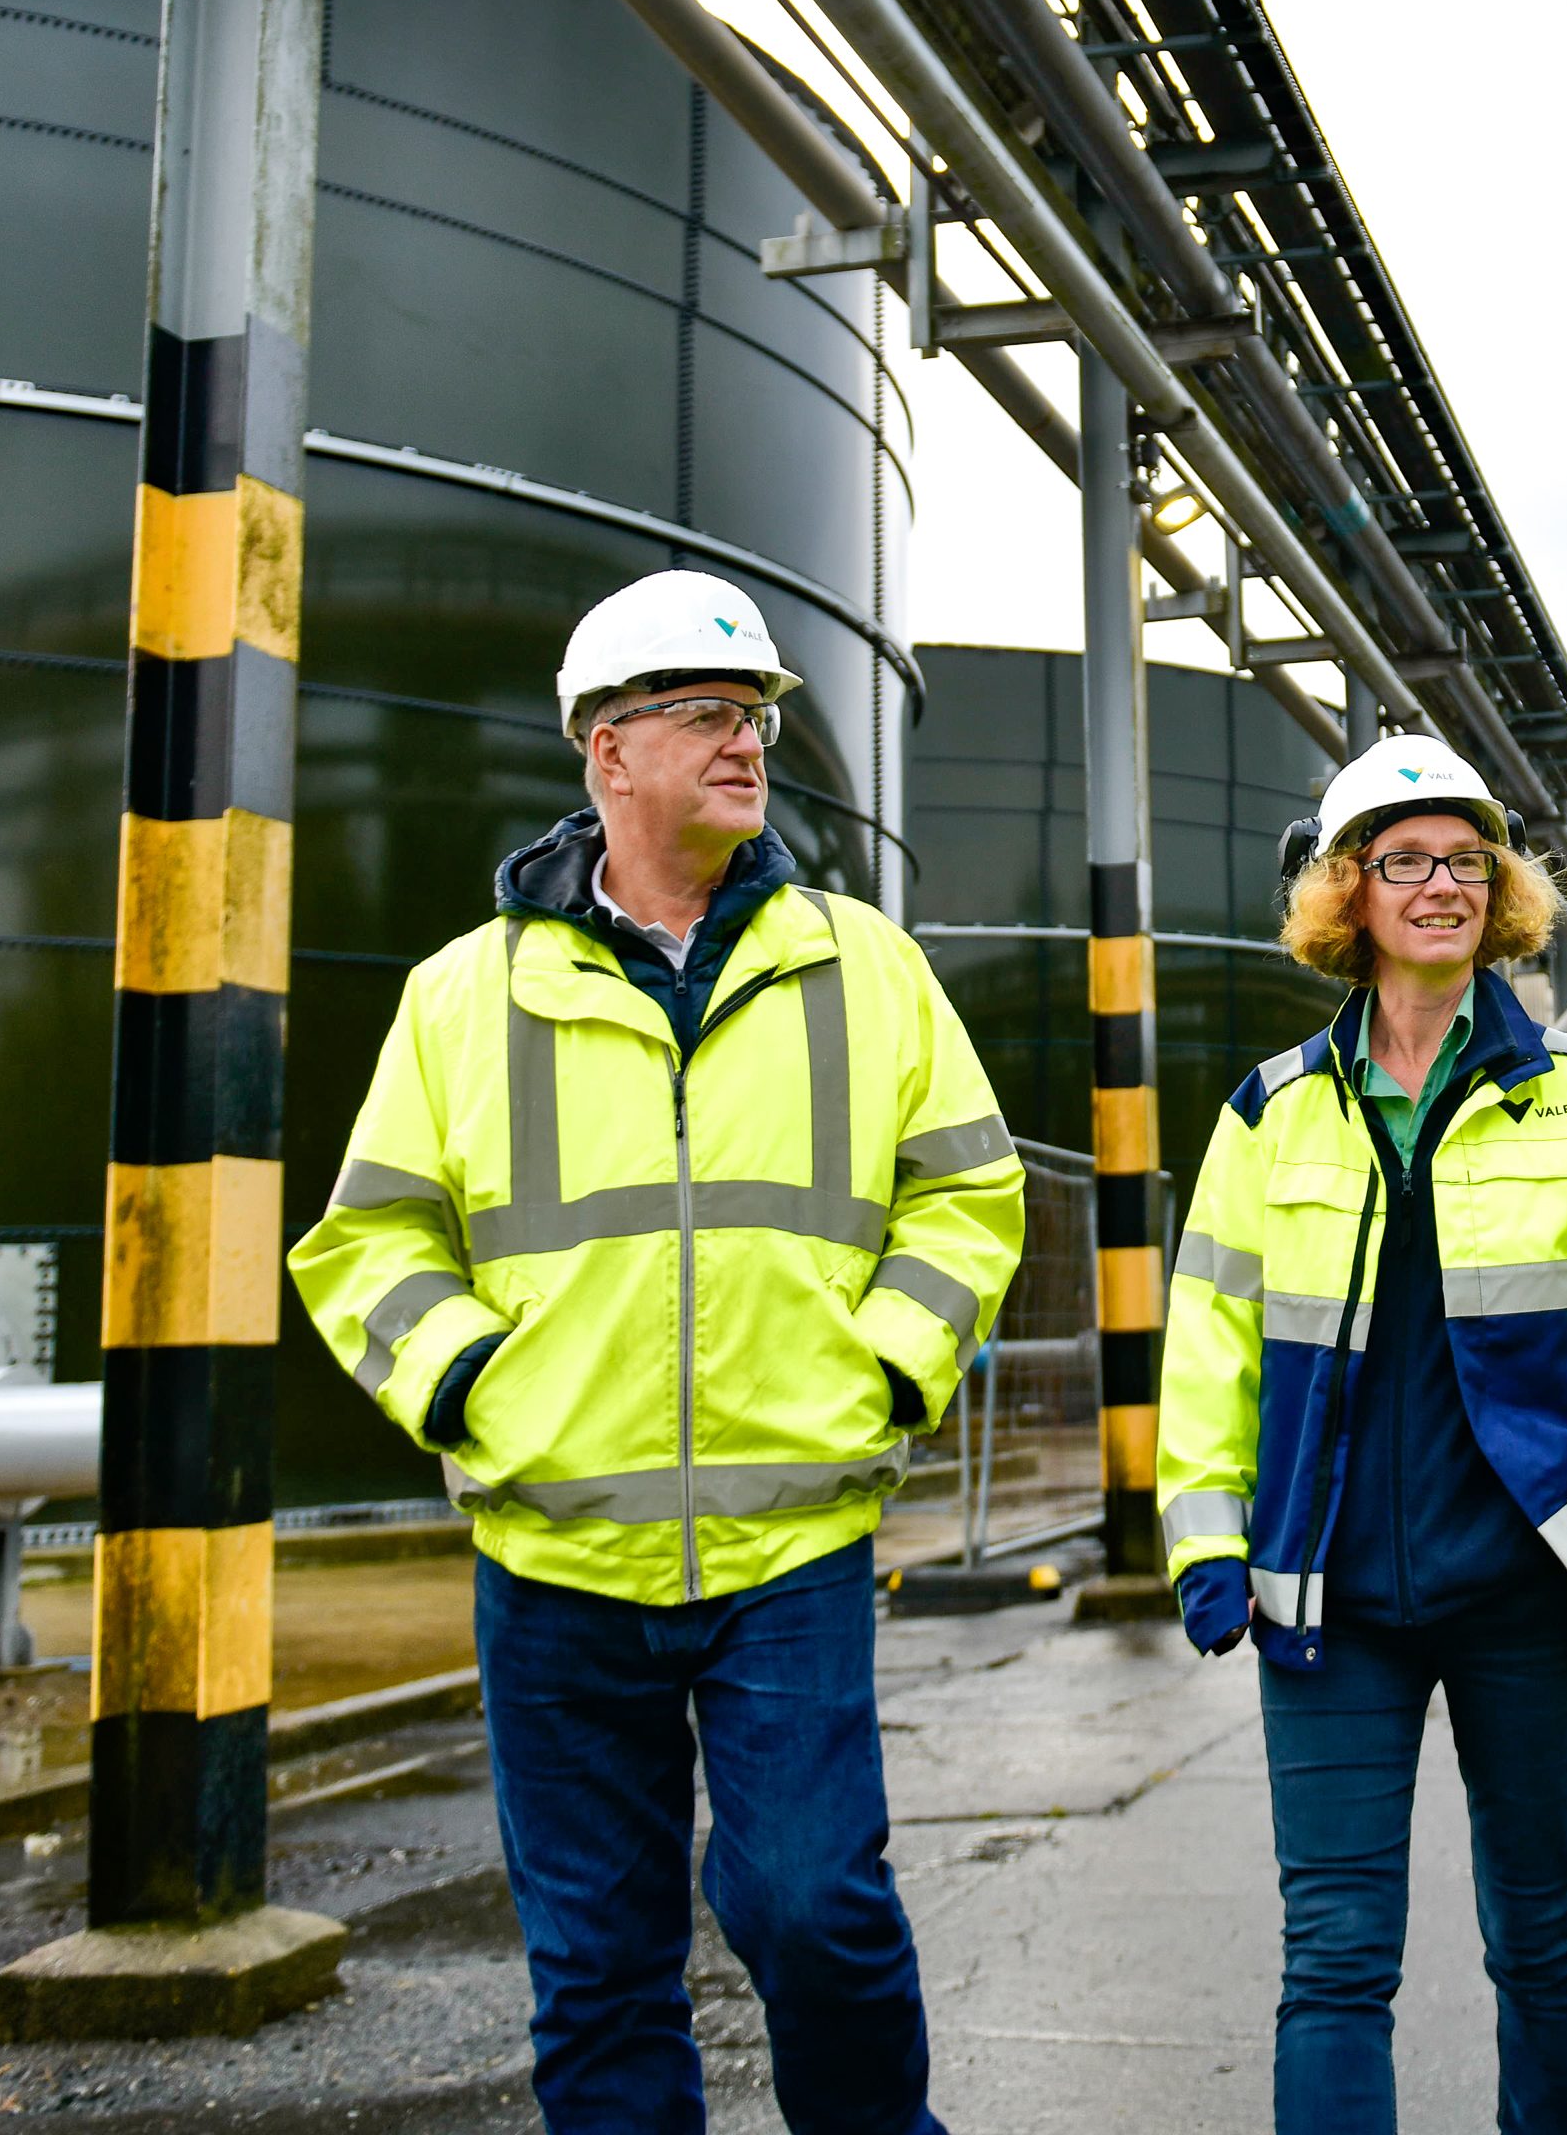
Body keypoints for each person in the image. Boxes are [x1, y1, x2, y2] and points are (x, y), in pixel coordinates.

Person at [289, 569, 1022, 2135]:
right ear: (607, 751)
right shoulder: (460, 996)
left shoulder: (862, 968)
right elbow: (365, 1245)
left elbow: (970, 1193)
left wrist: (887, 1366)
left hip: (792, 1542)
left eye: (754, 714)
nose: (747, 740)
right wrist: (478, 1388)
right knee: (601, 1977)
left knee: (816, 1912)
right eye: (706, 713)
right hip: (552, 1560)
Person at [1156, 734, 1567, 2135]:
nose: (1442, 882)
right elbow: (1209, 1347)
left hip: (1532, 1596)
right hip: (1329, 1603)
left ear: (1500, 888)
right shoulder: (1272, 1114)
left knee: (1537, 1936)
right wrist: (1209, 1549)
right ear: (1349, 890)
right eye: (1406, 858)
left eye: (1468, 857)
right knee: (1334, 1963)